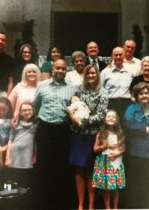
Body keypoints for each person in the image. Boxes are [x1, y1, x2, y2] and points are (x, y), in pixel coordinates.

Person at [32, 59, 78, 209]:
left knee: (62, 167)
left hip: (63, 130)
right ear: (52, 70)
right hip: (45, 129)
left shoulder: (72, 89)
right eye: (57, 68)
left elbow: (75, 109)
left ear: (66, 70)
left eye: (63, 69)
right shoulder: (41, 86)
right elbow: (35, 105)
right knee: (44, 165)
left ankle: (61, 202)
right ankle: (43, 202)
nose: (60, 71)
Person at [68, 64, 108, 210]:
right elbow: (72, 107)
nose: (91, 75)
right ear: (85, 75)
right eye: (88, 73)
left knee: (91, 170)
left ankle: (91, 205)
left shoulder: (103, 92)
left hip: (92, 135)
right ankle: (80, 204)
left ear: (97, 75)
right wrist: (74, 116)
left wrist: (83, 122)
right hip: (78, 135)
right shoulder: (79, 90)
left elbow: (101, 115)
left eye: (93, 73)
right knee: (79, 170)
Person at [92, 110, 125, 210]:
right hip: (104, 162)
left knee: (115, 187)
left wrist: (117, 153)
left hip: (116, 162)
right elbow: (95, 149)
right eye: (108, 116)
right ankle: (107, 207)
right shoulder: (101, 133)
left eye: (113, 117)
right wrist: (106, 145)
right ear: (104, 119)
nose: (111, 118)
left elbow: (123, 148)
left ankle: (115, 207)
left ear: (117, 119)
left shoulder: (119, 133)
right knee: (106, 187)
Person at [5, 102, 37, 191]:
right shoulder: (15, 124)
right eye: (24, 110)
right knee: (12, 180)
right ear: (20, 112)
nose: (27, 112)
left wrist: (35, 156)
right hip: (14, 154)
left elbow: (36, 142)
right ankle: (10, 199)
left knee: (25, 181)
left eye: (29, 110)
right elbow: (10, 141)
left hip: (27, 156)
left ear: (33, 111)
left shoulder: (36, 124)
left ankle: (23, 201)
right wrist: (7, 158)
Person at [101, 47, 133, 122]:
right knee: (111, 127)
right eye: (116, 55)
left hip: (126, 104)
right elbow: (100, 89)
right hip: (111, 103)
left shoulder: (129, 72)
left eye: (120, 55)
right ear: (112, 56)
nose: (118, 57)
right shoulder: (105, 72)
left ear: (124, 56)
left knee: (125, 128)